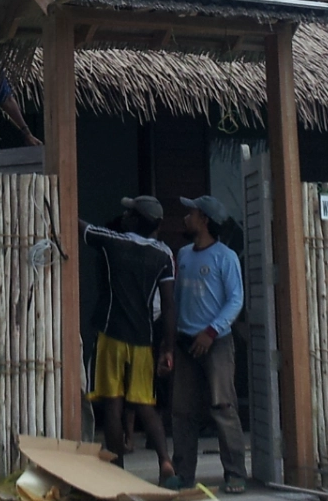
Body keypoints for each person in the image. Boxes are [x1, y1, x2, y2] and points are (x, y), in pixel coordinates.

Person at [82, 196, 177, 482]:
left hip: (112, 334)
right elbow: (170, 305)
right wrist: (167, 349)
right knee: (145, 404)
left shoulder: (113, 241)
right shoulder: (163, 255)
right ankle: (165, 463)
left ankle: (118, 470)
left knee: (113, 404)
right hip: (143, 339)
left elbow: (81, 228)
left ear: (137, 220)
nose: (124, 215)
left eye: (129, 212)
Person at [163, 195, 248, 494]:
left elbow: (235, 300)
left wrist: (211, 331)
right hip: (186, 342)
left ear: (205, 220)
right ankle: (184, 473)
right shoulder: (184, 254)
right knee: (182, 411)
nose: (186, 218)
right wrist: (170, 345)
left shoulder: (226, 257)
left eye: (192, 214)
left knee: (223, 407)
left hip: (216, 343)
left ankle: (236, 473)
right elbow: (175, 303)